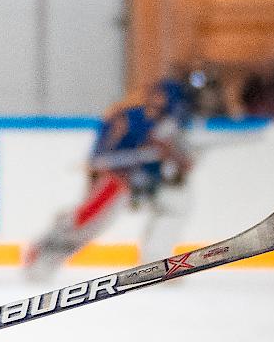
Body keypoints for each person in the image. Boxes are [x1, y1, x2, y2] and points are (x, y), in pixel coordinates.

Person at [24, 75, 196, 278]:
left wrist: (170, 153)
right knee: (86, 223)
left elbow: (185, 163)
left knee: (176, 206)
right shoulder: (128, 118)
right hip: (118, 182)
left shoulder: (171, 126)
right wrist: (102, 175)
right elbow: (102, 155)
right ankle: (43, 254)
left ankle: (156, 261)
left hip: (149, 184)